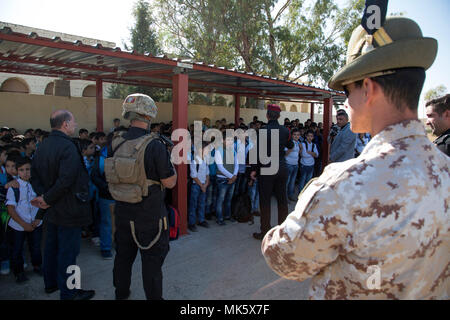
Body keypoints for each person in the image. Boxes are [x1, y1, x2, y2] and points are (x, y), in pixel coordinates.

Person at [261, 16, 449, 299]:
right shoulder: (445, 169)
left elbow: (283, 259)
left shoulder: (345, 186)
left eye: (347, 90)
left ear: (369, 89)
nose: (345, 103)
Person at [106, 93, 176, 300]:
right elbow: (170, 182)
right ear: (149, 114)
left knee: (123, 258)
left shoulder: (115, 142)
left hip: (122, 213)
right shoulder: (155, 145)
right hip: (149, 217)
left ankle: (121, 293)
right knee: (152, 263)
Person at [31, 109, 95, 300]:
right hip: (69, 210)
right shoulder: (69, 146)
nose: (75, 125)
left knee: (51, 248)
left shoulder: (42, 145)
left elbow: (35, 176)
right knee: (69, 252)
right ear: (65, 124)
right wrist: (48, 198)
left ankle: (50, 284)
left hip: (50, 210)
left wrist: (44, 198)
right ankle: (70, 292)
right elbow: (67, 180)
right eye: (73, 122)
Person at [250, 104, 293, 240]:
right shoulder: (285, 131)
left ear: (267, 115)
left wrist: (254, 170)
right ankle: (283, 232)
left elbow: (257, 153)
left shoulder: (262, 130)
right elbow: (291, 145)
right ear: (279, 116)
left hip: (267, 168)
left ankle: (265, 231)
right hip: (281, 168)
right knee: (282, 200)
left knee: (265, 201)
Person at [6, 157, 43, 283]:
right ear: (17, 171)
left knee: (36, 247)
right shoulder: (14, 187)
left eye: (28, 169)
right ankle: (19, 272)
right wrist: (23, 224)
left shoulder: (37, 185)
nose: (25, 172)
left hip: (35, 223)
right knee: (17, 249)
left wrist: (38, 219)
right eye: (21, 170)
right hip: (19, 225)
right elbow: (11, 209)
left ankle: (38, 266)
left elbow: (42, 203)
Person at [214, 133, 238, 226]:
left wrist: (234, 175)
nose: (230, 142)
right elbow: (220, 167)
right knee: (221, 200)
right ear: (223, 140)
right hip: (222, 179)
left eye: (231, 140)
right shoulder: (218, 151)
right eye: (228, 140)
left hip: (232, 178)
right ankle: (219, 218)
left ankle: (227, 216)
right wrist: (231, 177)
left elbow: (236, 164)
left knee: (229, 199)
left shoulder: (233, 150)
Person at [188, 143, 210, 232]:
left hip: (203, 185)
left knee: (202, 203)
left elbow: (207, 174)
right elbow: (193, 176)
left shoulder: (205, 161)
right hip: (196, 186)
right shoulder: (194, 161)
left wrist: (205, 184)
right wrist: (202, 186)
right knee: (193, 204)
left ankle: (201, 220)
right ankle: (191, 223)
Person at [285, 128, 301, 201]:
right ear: (291, 135)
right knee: (287, 182)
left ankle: (290, 195)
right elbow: (285, 154)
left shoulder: (298, 143)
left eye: (298, 135)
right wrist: (291, 148)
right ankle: (285, 197)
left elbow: (299, 153)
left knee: (292, 182)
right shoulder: (288, 143)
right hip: (288, 164)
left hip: (295, 164)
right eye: (294, 135)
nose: (296, 136)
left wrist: (301, 148)